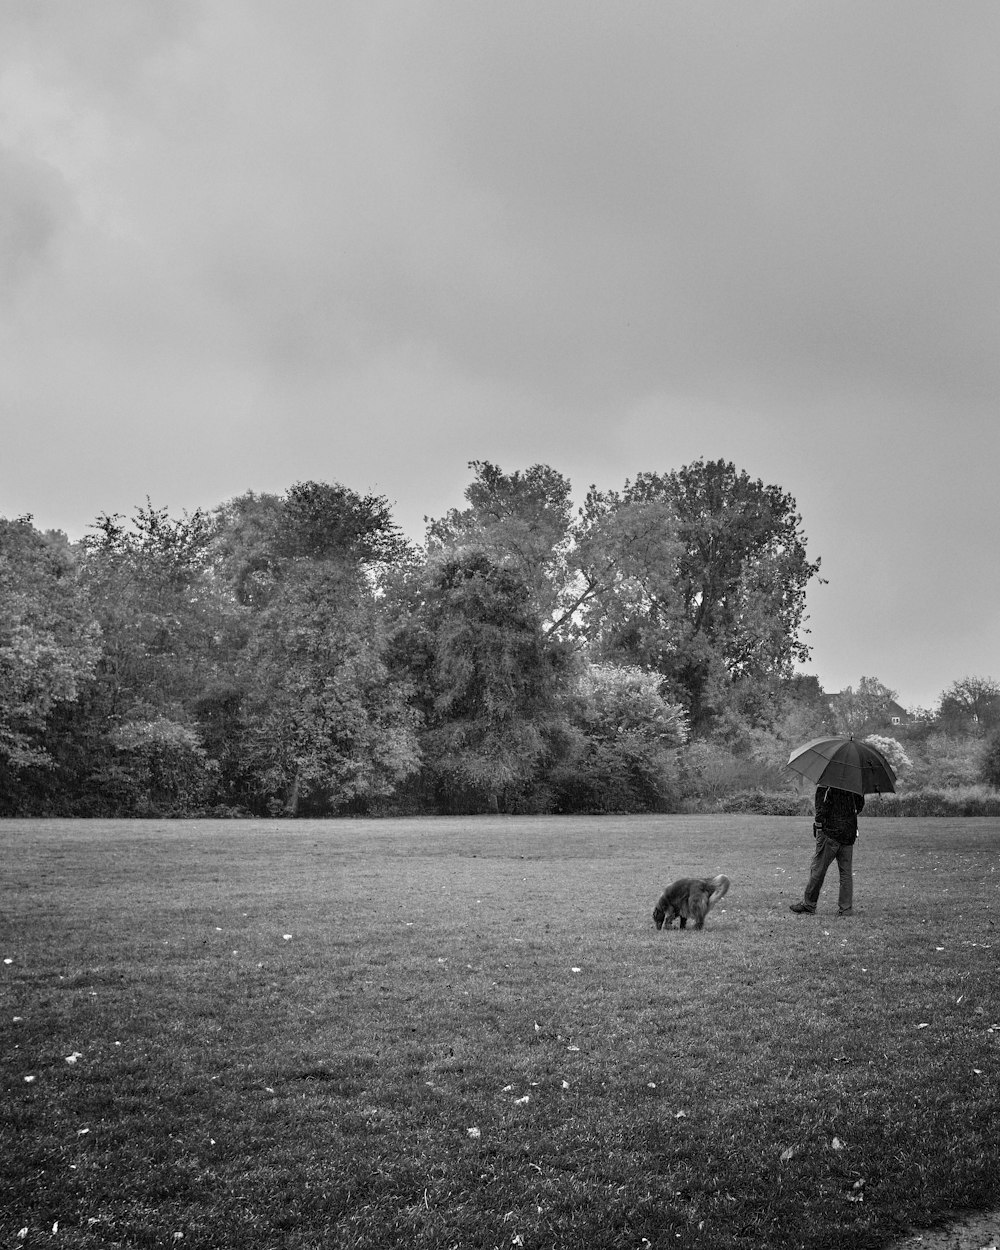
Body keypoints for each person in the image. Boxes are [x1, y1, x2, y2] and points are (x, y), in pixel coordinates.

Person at [789, 785, 865, 917]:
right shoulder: (855, 783)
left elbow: (821, 808)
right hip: (849, 833)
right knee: (845, 873)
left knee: (818, 869)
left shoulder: (827, 783)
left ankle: (809, 904)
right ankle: (845, 908)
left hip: (830, 833)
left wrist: (819, 826)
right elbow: (859, 806)